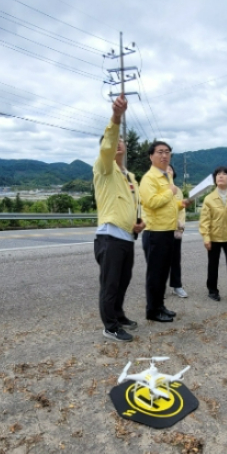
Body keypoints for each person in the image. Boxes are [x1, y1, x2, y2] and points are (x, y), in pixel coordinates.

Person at [92, 95, 145, 342]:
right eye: (116, 142)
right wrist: (116, 118)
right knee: (110, 283)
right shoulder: (104, 167)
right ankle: (109, 326)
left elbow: (136, 204)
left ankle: (119, 315)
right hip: (109, 235)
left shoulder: (130, 175)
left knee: (123, 280)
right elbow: (108, 143)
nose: (120, 144)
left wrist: (140, 221)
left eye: (123, 141)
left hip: (127, 237)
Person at [140, 141, 189, 322]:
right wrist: (171, 192)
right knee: (155, 274)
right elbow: (151, 202)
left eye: (167, 152)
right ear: (151, 156)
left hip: (168, 231)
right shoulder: (149, 178)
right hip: (155, 232)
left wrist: (179, 203)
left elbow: (167, 203)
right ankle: (152, 311)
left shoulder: (165, 177)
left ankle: (160, 306)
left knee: (162, 273)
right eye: (160, 152)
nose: (164, 155)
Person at [199, 166, 227, 308]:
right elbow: (204, 221)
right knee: (213, 265)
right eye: (218, 174)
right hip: (214, 237)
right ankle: (212, 290)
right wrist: (206, 238)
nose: (221, 176)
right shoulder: (209, 199)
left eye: (224, 174)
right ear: (215, 178)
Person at [167, 165, 188, 298]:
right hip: (160, 229)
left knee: (175, 260)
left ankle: (177, 286)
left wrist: (180, 226)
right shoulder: (156, 188)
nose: (168, 170)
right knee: (160, 261)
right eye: (165, 169)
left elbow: (181, 210)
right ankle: (158, 288)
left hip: (175, 230)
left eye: (170, 169)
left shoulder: (178, 190)